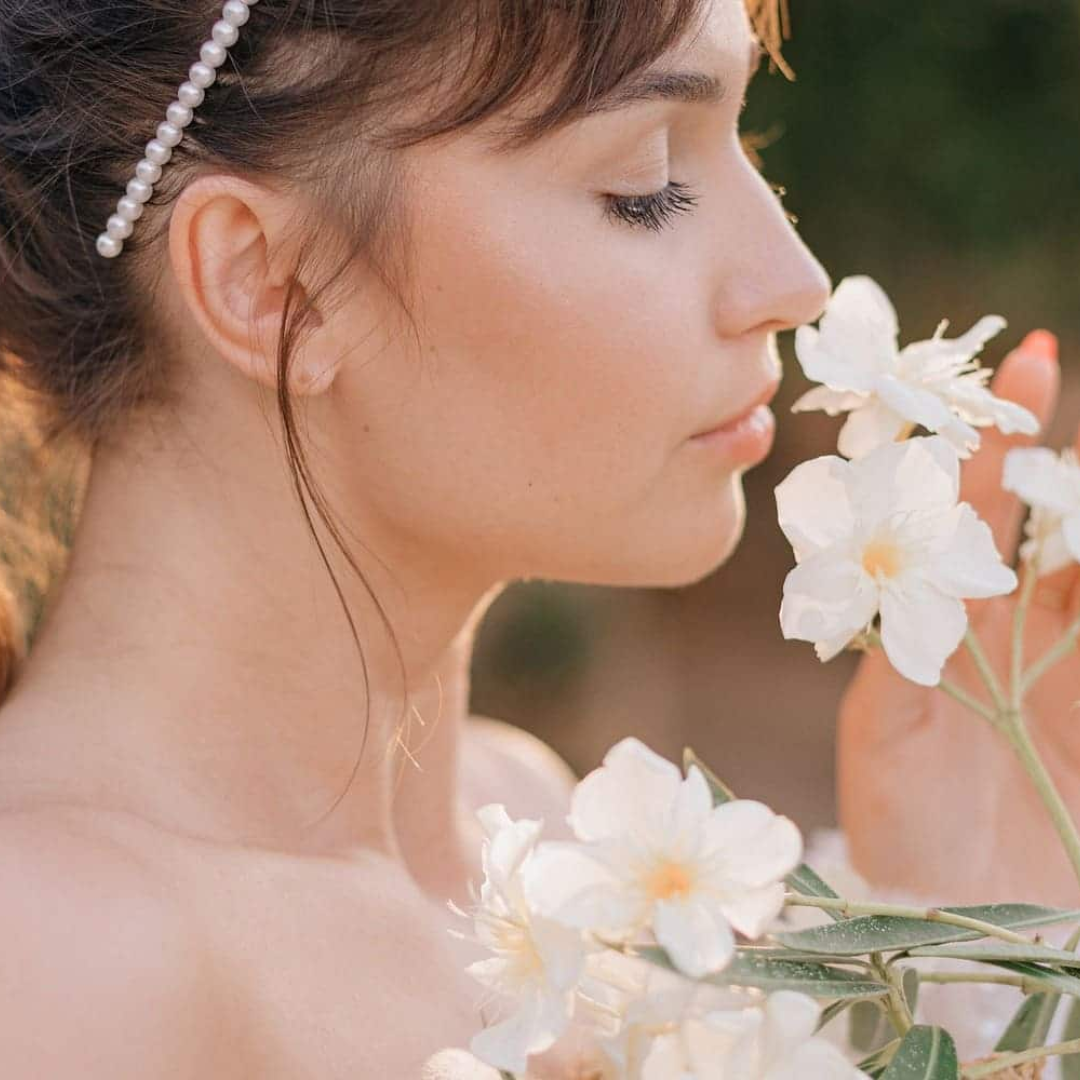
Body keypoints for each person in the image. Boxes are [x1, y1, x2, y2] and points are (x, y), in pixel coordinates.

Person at [0, 0, 1075, 1075]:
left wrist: (962, 933)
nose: (795, 282)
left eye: (744, 140)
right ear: (272, 285)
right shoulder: (57, 962)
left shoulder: (548, 835)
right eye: (649, 184)